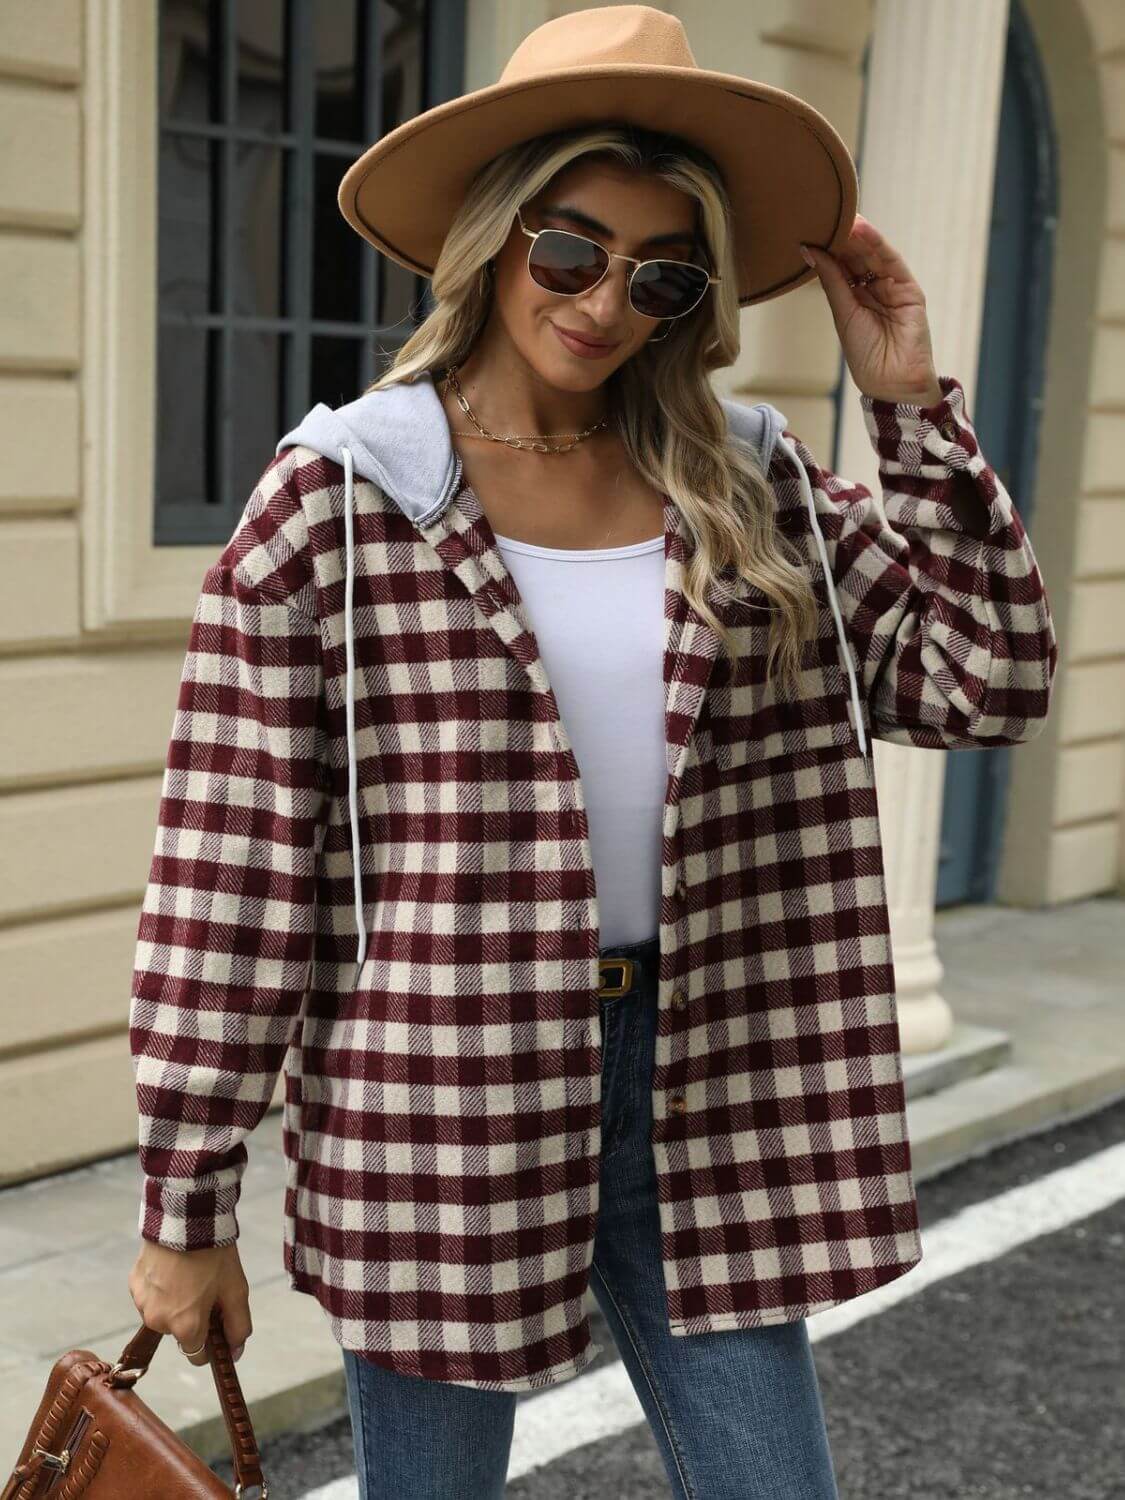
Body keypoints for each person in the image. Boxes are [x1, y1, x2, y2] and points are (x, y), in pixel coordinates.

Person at [126, 7, 1057, 1498]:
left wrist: (908, 409)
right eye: (570, 249)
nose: (605, 299)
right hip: (441, 1089)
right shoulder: (341, 506)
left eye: (659, 272)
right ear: (495, 241)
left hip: (710, 1074)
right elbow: (229, 882)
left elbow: (986, 682)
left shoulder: (754, 490)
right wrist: (185, 1202)